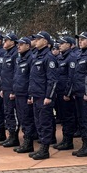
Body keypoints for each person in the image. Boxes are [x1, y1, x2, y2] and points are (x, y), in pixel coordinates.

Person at [27, 31, 59, 160]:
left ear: (45, 42)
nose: (36, 41)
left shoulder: (48, 57)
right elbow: (33, 78)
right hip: (36, 95)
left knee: (45, 123)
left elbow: (52, 80)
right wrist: (31, 94)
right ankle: (41, 147)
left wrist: (49, 96)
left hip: (44, 96)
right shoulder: (37, 56)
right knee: (38, 122)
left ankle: (45, 150)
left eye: (39, 39)